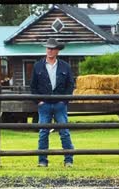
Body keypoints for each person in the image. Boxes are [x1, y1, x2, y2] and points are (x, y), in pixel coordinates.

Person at [30, 38, 75, 167]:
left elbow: (70, 85)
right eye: (48, 48)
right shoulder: (38, 66)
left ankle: (68, 160)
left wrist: (64, 100)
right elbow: (33, 86)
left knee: (64, 132)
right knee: (43, 132)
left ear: (57, 51)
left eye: (52, 48)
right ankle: (42, 160)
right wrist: (39, 101)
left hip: (60, 105)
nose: (49, 50)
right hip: (44, 105)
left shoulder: (65, 66)